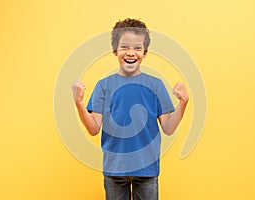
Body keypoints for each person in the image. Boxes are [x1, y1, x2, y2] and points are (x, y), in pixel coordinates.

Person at [71, 18, 189, 200]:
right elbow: (94, 129)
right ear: (115, 50)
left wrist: (183, 103)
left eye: (137, 48)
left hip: (147, 169)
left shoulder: (155, 85)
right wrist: (79, 102)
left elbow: (168, 128)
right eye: (125, 46)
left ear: (145, 52)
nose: (131, 53)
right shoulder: (104, 86)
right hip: (115, 169)